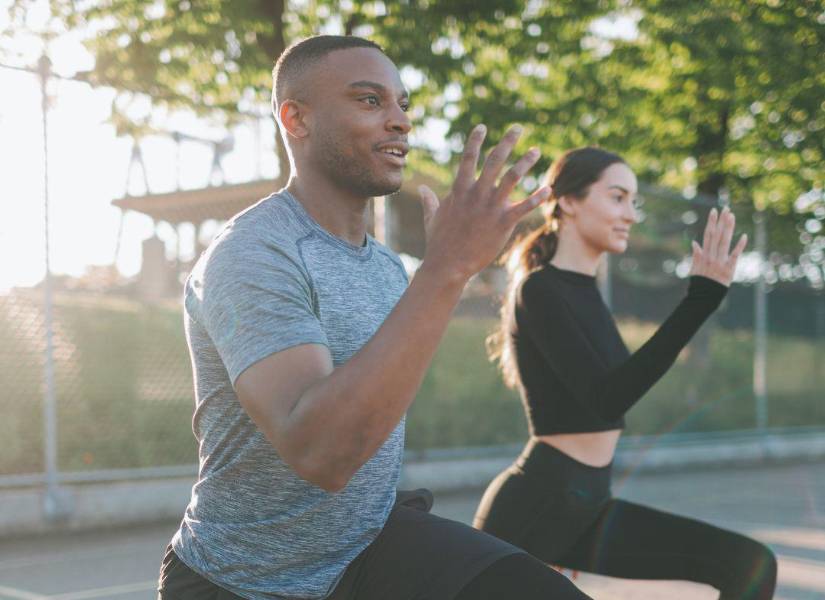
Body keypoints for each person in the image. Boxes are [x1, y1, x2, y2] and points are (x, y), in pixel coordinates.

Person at [157, 35, 592, 600]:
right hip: (247, 579)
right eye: (370, 101)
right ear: (296, 118)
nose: (400, 122)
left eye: (403, 105)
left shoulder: (388, 268)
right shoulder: (253, 254)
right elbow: (322, 455)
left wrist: (443, 273)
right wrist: (446, 270)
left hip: (365, 544)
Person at [474, 147, 778, 599]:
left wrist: (703, 299)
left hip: (588, 506)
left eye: (634, 201)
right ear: (569, 201)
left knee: (748, 564)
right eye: (617, 197)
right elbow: (607, 399)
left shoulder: (586, 293)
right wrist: (699, 301)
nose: (631, 215)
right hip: (535, 511)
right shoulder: (539, 290)